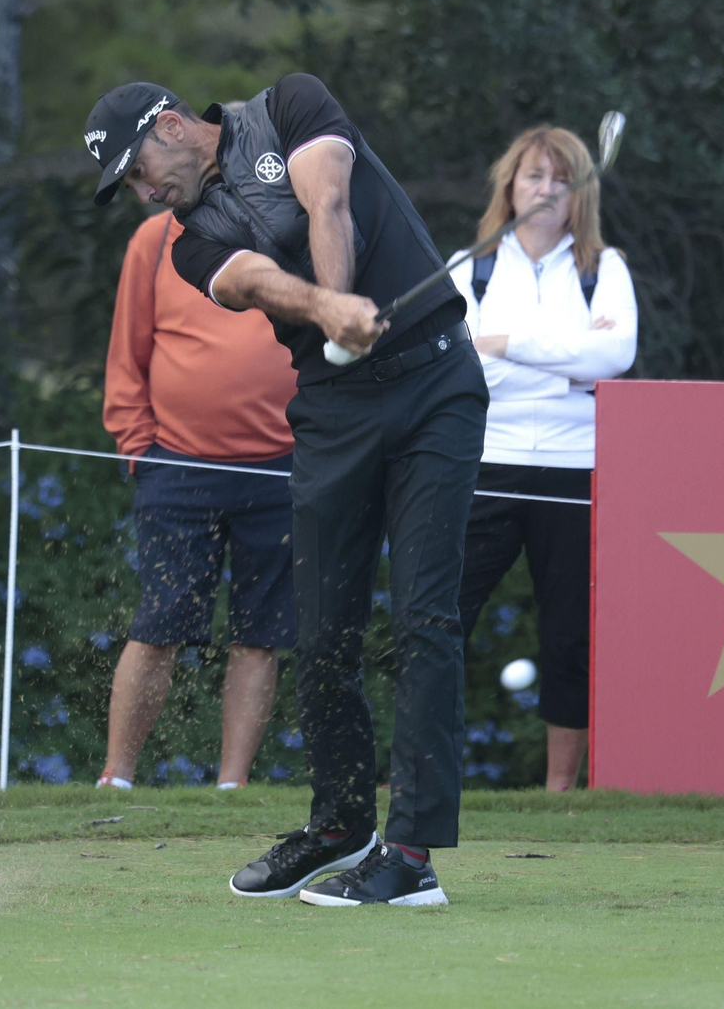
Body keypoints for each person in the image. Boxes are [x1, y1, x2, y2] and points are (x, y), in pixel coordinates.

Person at [84, 75, 487, 906]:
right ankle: (342, 825)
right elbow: (256, 283)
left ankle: (410, 856)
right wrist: (328, 312)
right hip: (335, 408)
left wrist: (340, 301)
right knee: (323, 627)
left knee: (424, 619)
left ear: (170, 125)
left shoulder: (291, 106)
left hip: (435, 384)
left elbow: (327, 198)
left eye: (137, 170)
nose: (142, 192)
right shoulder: (188, 240)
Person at [447, 126, 637, 792]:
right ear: (510, 186)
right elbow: (456, 358)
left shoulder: (602, 269)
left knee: (570, 634)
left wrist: (503, 342)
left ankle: (561, 793)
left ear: (580, 193)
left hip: (575, 465)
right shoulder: (470, 264)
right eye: (534, 176)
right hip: (484, 463)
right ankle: (423, 772)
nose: (546, 189)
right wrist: (561, 351)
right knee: (441, 617)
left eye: (561, 179)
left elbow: (613, 356)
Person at [98, 206, 298, 790]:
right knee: (159, 622)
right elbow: (126, 354)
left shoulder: (300, 230)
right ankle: (118, 776)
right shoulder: (157, 236)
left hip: (285, 465)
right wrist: (141, 451)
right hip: (178, 462)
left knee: (261, 635)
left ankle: (230, 788)